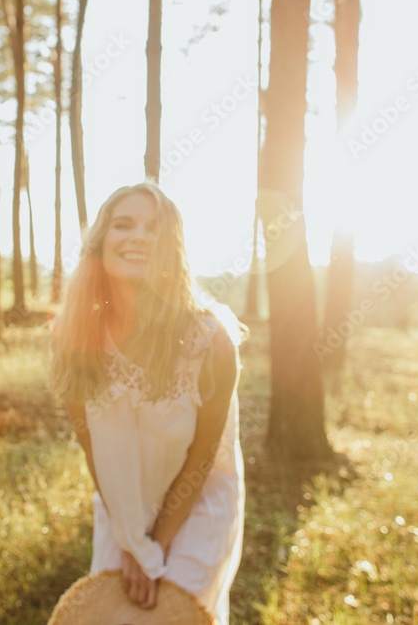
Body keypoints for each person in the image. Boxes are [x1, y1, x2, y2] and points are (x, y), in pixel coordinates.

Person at [50, 182, 246, 624]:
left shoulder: (210, 342)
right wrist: (131, 539)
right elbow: (92, 450)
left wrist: (155, 546)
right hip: (121, 498)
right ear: (102, 240)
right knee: (112, 613)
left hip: (198, 499)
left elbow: (201, 460)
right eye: (124, 224)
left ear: (171, 247)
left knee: (173, 615)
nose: (138, 236)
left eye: (153, 227)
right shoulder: (74, 336)